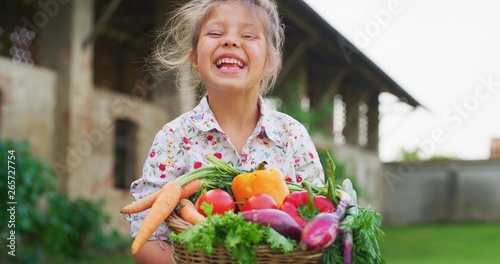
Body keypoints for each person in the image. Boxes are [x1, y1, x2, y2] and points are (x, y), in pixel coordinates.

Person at [126, 0, 324, 263]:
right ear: (194, 58)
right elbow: (147, 238)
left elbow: (320, 218)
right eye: (215, 33)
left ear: (270, 61)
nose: (230, 41)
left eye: (248, 35)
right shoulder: (174, 137)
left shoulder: (292, 136)